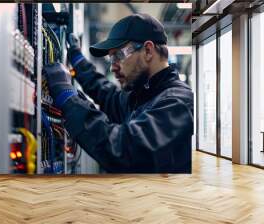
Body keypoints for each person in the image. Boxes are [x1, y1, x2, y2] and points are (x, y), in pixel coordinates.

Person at [43, 13, 194, 173]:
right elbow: (107, 95)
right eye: (111, 59)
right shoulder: (141, 96)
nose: (112, 67)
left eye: (118, 55)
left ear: (148, 51)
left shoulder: (177, 103)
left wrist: (69, 100)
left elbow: (125, 150)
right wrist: (78, 62)